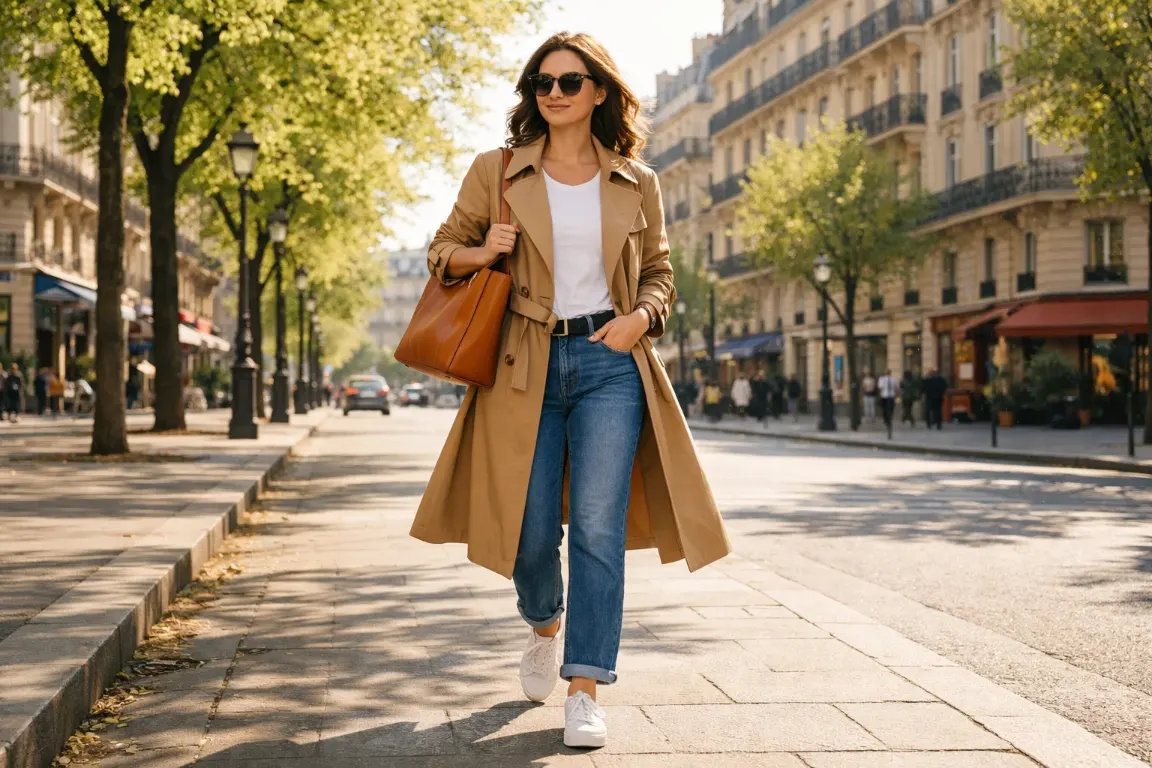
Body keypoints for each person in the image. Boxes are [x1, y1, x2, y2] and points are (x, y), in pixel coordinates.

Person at [408, 32, 730, 751]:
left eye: (570, 81)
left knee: (596, 527)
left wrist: (640, 318)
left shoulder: (636, 180)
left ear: (599, 92)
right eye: (543, 82)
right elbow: (441, 251)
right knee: (527, 532)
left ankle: (585, 687)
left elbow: (660, 272)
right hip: (522, 359)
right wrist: (481, 251)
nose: (554, 93)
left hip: (609, 361)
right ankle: (544, 621)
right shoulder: (498, 170)